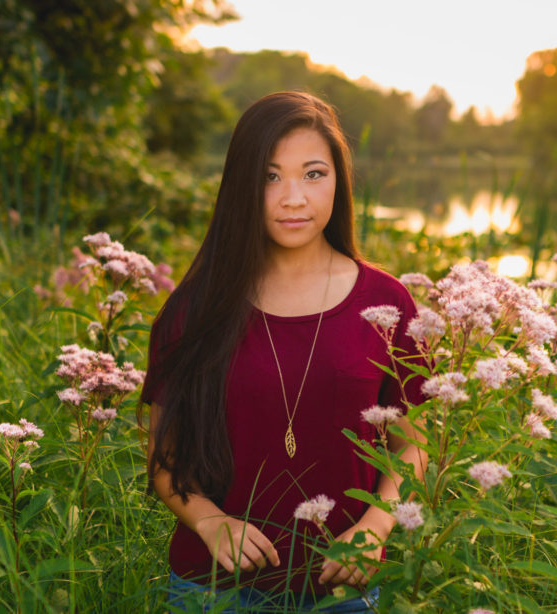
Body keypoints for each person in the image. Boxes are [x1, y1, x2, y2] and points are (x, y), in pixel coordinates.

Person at [139, 91, 427, 613]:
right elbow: (165, 457)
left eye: (313, 174)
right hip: (213, 589)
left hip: (345, 592)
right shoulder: (196, 308)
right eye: (270, 177)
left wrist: (376, 525)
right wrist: (209, 520)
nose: (293, 197)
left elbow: (414, 444)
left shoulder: (387, 302)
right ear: (241, 187)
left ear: (338, 180)